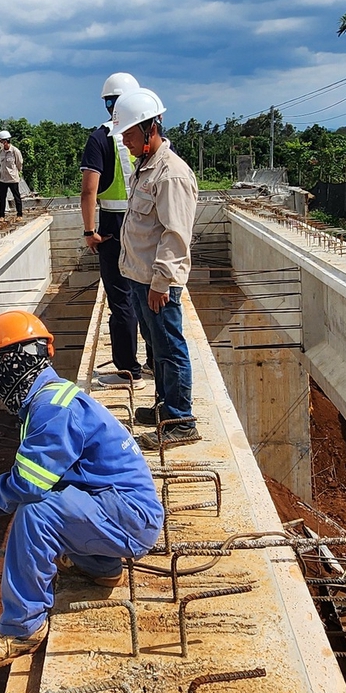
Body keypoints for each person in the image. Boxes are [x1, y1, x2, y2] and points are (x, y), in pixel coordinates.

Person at [0, 310, 164, 667]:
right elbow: (39, 477)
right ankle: (102, 566)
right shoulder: (50, 401)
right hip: (119, 510)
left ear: (11, 364)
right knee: (52, 499)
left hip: (129, 517)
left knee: (38, 510)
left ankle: (21, 628)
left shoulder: (52, 408)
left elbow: (28, 485)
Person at [111, 88, 199, 448]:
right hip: (139, 278)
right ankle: (166, 405)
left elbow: (175, 235)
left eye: (130, 136)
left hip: (156, 283)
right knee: (155, 346)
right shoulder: (144, 168)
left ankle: (181, 420)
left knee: (169, 348)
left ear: (151, 129)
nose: (127, 143)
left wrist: (162, 282)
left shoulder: (171, 174)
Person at [80, 72, 151, 385]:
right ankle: (154, 363)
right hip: (145, 222)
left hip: (112, 225)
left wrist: (89, 231)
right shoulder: (148, 135)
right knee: (147, 294)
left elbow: (89, 191)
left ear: (108, 104)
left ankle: (127, 369)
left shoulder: (100, 138)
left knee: (121, 300)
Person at [0, 129, 24, 218]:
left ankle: (19, 214)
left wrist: (16, 172)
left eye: (0, 141)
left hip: (12, 178)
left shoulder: (15, 151)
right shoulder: (1, 152)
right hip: (2, 178)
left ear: (5, 141)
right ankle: (2, 216)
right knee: (2, 198)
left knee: (17, 197)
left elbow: (19, 163)